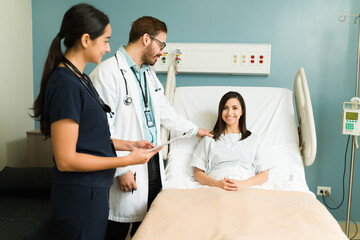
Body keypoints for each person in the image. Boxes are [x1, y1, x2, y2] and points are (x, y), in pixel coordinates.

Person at [31, 4, 161, 240]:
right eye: (105, 40)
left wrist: (130, 145)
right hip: (80, 196)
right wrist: (128, 161)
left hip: (93, 192)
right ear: (85, 39)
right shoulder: (65, 84)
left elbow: (92, 138)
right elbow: (66, 160)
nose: (109, 48)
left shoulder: (81, 79)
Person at [89, 16, 213, 239]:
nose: (162, 52)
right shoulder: (107, 74)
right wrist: (121, 169)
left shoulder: (148, 75)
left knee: (147, 228)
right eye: (161, 45)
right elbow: (101, 129)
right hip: (125, 164)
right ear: (146, 39)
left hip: (150, 161)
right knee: (114, 229)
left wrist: (197, 130)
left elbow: (166, 113)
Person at [191, 91, 274, 191]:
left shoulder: (253, 139)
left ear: (242, 111)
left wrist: (243, 184)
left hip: (246, 186)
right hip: (217, 186)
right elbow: (198, 174)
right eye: (225, 108)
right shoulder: (210, 138)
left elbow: (264, 175)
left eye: (235, 108)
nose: (230, 112)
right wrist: (217, 184)